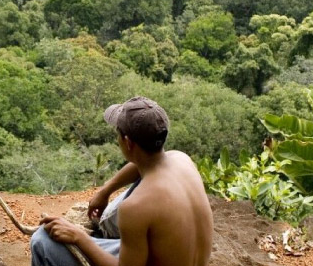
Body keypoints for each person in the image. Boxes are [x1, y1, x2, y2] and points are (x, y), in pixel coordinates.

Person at [30, 96, 214, 266]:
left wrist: (79, 237)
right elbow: (139, 166)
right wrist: (105, 191)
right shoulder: (181, 160)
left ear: (127, 142)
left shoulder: (135, 207)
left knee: (41, 240)